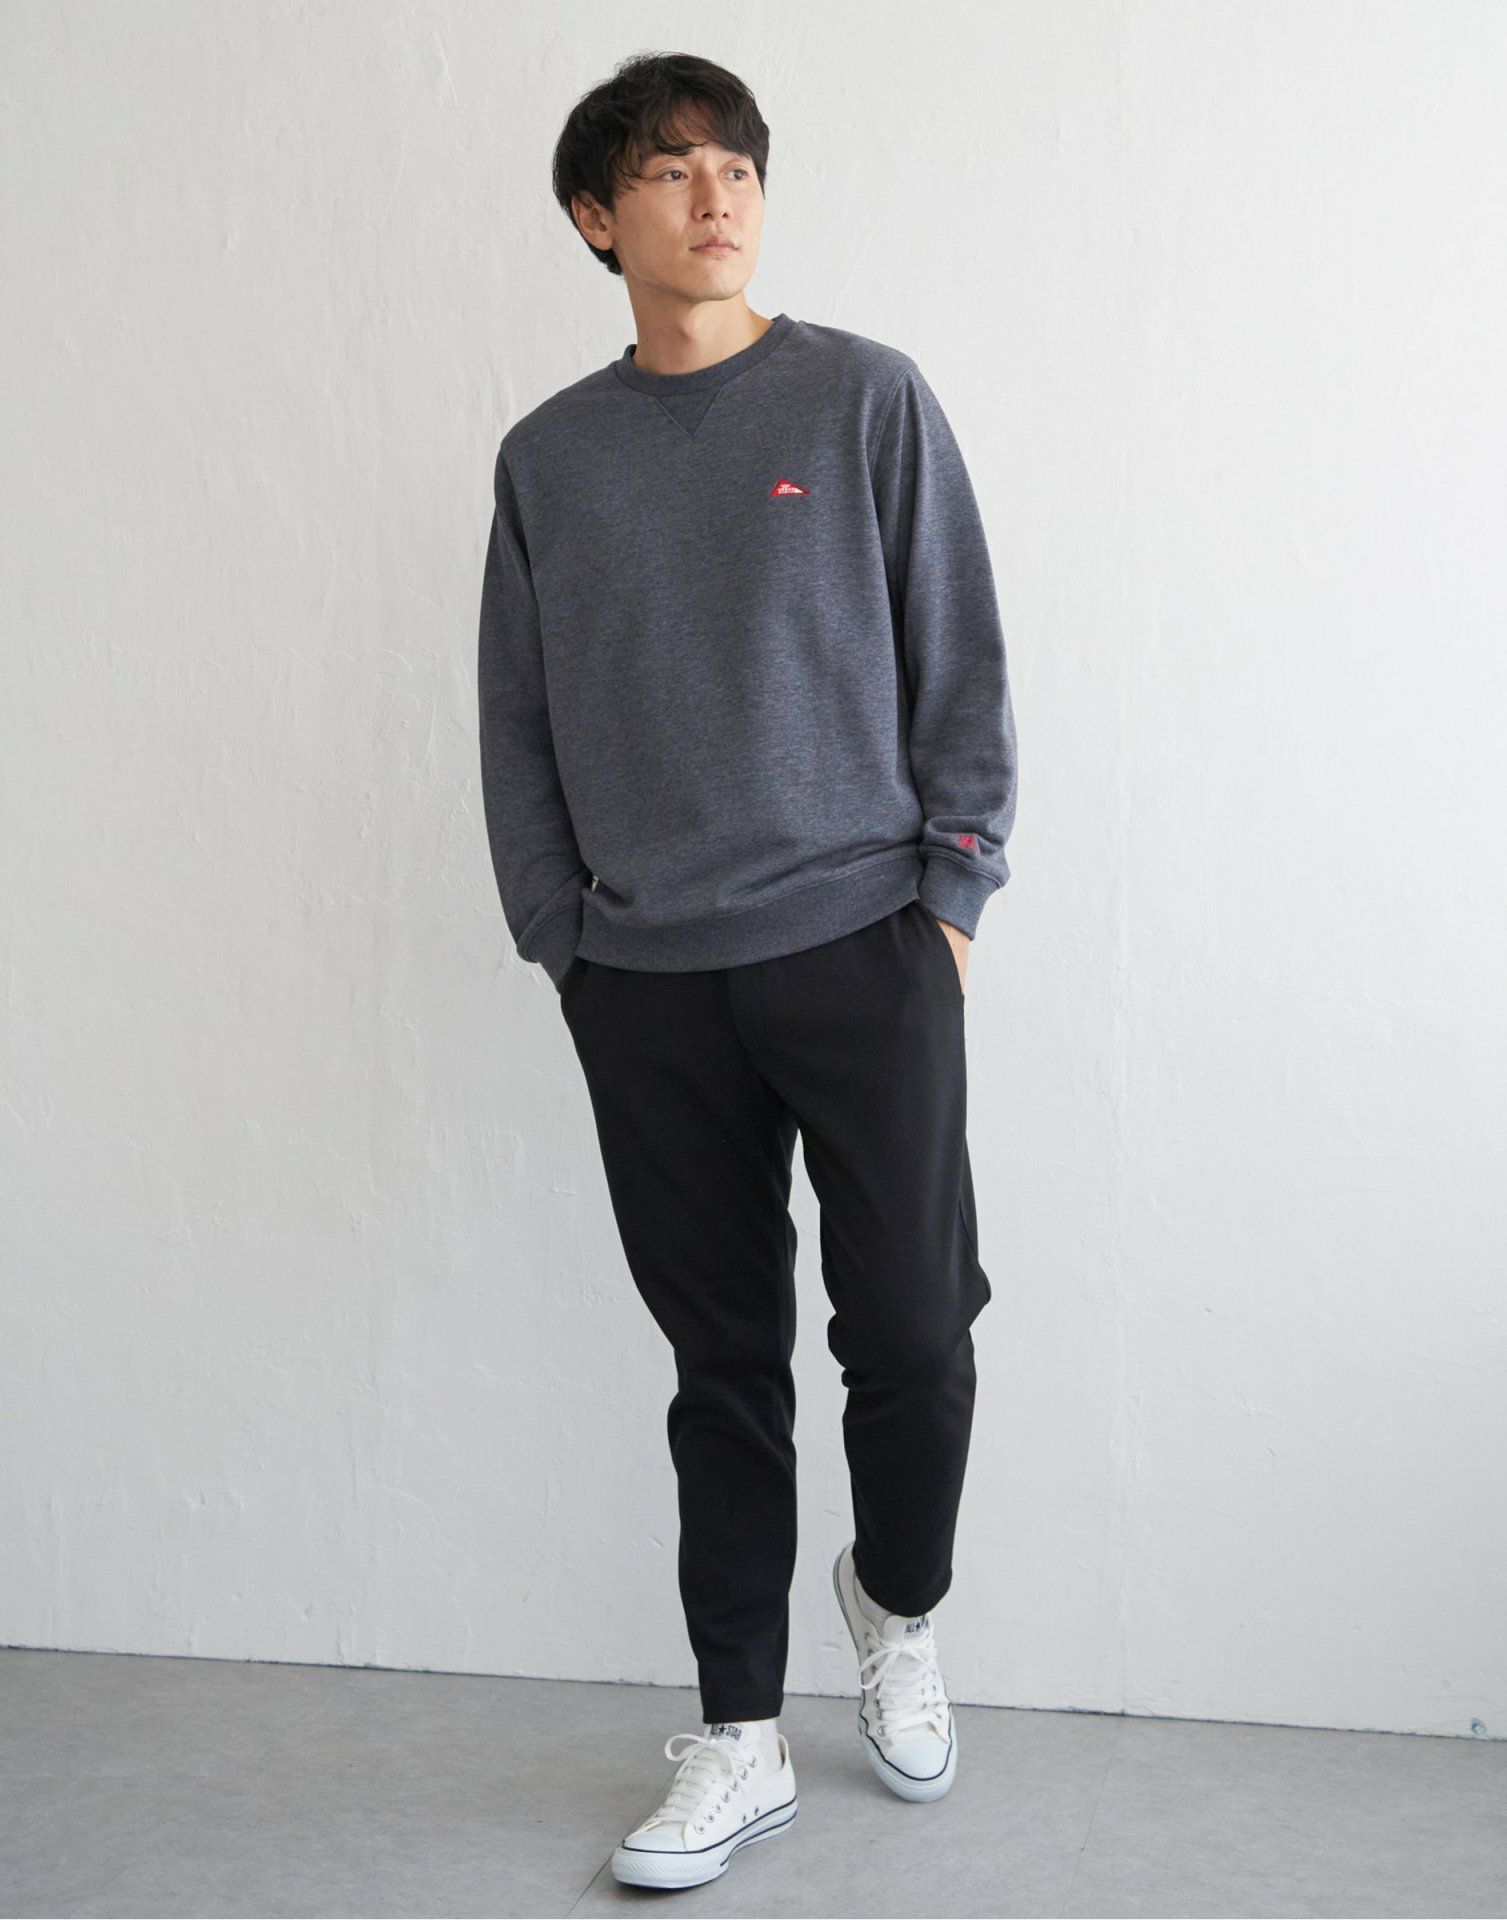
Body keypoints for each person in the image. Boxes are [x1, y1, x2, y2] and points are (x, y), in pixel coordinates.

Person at [476, 50, 1019, 1894]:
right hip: (646, 979)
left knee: (916, 1335)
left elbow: (961, 656)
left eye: (736, 167)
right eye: (669, 169)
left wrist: (950, 902)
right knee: (723, 1365)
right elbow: (516, 716)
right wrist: (562, 937)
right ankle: (737, 1733)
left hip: (866, 947)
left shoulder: (864, 396)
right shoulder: (550, 458)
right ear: (595, 216)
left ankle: (899, 1602)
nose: (715, 196)